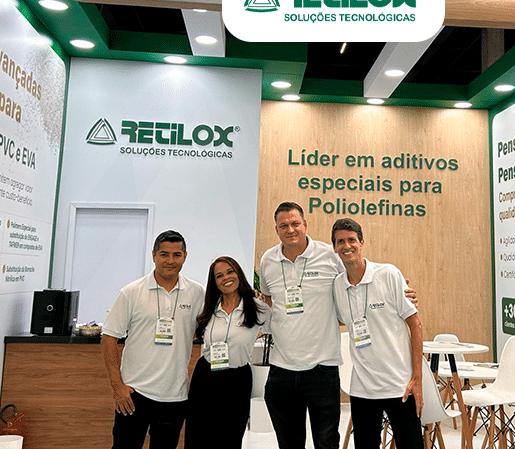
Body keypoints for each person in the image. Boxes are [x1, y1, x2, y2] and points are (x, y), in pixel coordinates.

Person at [259, 201, 417, 449]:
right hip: (282, 369)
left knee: (326, 443)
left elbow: (358, 269)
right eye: (284, 225)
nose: (290, 229)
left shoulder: (329, 256)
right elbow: (267, 297)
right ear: (276, 229)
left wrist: (399, 288)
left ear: (305, 225)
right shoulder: (268, 260)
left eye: (295, 223)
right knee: (288, 443)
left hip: (322, 368)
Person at [101, 230, 204, 449]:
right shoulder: (131, 292)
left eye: (177, 255)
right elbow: (109, 338)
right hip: (134, 393)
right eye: (164, 254)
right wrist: (118, 387)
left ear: (185, 256)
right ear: (154, 255)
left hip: (174, 396)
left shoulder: (197, 293)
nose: (170, 260)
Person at [331, 218, 423, 449]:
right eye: (340, 242)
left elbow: (415, 324)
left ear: (361, 242)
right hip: (362, 388)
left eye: (352, 240)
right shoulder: (337, 285)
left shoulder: (388, 274)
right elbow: (341, 319)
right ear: (334, 247)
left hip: (399, 385)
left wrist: (417, 378)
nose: (346, 246)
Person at [185, 256, 270, 449]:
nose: (226, 278)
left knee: (230, 437)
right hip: (206, 377)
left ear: (238, 273)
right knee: (198, 436)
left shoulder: (258, 308)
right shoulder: (208, 307)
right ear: (214, 282)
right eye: (219, 276)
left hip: (237, 380)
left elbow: (279, 331)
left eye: (230, 272)